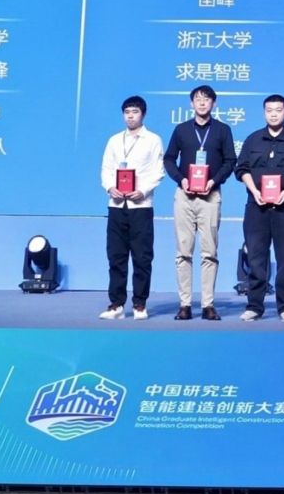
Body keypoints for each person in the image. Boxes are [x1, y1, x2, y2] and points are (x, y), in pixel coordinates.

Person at [235, 94, 284, 322]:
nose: (274, 114)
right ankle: (254, 306)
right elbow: (242, 169)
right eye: (269, 110)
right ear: (264, 113)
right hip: (256, 207)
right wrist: (254, 190)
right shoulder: (253, 139)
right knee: (256, 258)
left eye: (278, 110)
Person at [164, 84, 236, 320]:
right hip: (184, 196)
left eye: (206, 99)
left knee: (209, 252)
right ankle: (185, 304)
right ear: (191, 103)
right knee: (183, 252)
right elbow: (169, 159)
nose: (202, 103)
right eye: (197, 99)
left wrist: (213, 181)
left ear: (213, 103)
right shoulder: (181, 130)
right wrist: (181, 179)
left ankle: (208, 304)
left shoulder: (223, 130)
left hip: (210, 196)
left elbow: (230, 161)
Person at [98, 96, 165, 320]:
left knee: (142, 257)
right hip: (117, 205)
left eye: (134, 112)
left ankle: (139, 304)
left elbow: (158, 171)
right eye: (127, 112)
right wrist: (110, 187)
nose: (130, 116)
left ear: (143, 114)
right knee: (116, 256)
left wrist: (143, 190)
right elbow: (106, 169)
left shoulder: (153, 140)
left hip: (141, 205)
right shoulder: (114, 140)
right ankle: (116, 304)